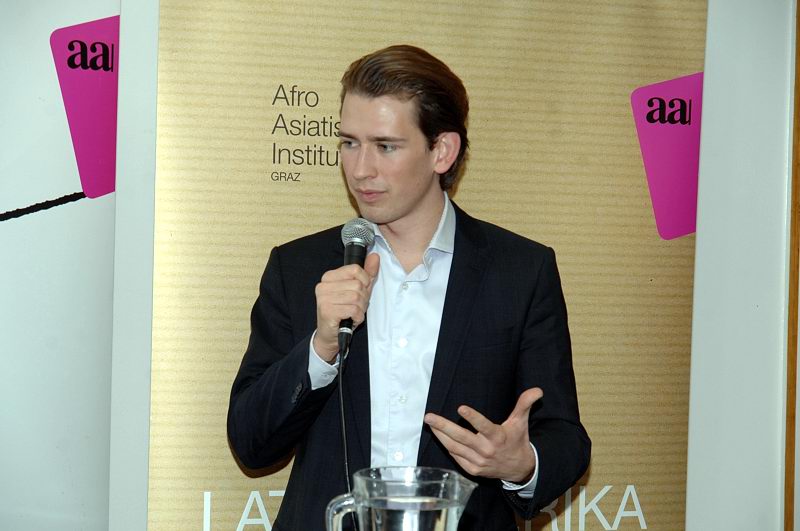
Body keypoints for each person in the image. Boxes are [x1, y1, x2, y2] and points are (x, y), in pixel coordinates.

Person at [227, 44, 590, 530]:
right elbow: (250, 442)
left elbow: (564, 438)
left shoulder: (520, 271)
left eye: (386, 146)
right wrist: (320, 347)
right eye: (349, 143)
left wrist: (521, 464)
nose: (360, 169)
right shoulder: (299, 267)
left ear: (442, 151)